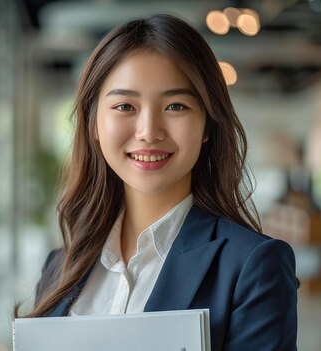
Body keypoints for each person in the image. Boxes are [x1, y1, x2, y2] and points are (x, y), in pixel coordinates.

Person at [18, 13, 298, 350]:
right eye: (125, 106)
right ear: (93, 125)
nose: (149, 131)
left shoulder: (253, 266)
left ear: (207, 125)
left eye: (176, 106)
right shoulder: (59, 266)